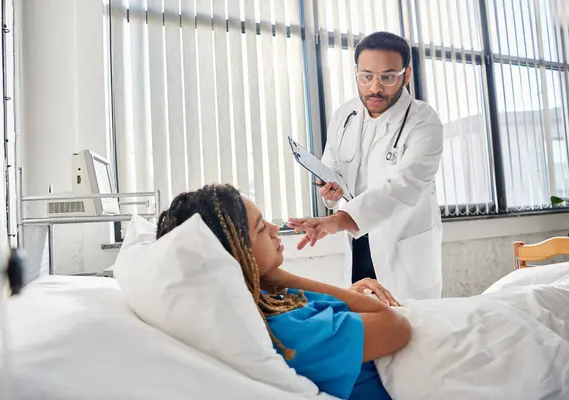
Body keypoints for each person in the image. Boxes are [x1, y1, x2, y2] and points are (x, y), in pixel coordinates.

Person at [156, 184, 410, 400]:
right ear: (235, 255)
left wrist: (348, 296)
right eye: (260, 228)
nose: (274, 228)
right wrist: (284, 279)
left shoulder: (259, 307)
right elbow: (397, 326)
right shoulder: (288, 334)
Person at [287, 31, 444, 301]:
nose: (375, 88)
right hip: (357, 243)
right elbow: (332, 165)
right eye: (367, 76)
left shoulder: (423, 120)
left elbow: (406, 186)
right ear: (356, 73)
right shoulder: (344, 115)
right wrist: (330, 192)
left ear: (406, 75)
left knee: (412, 326)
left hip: (403, 247)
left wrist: (338, 220)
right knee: (364, 321)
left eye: (387, 77)